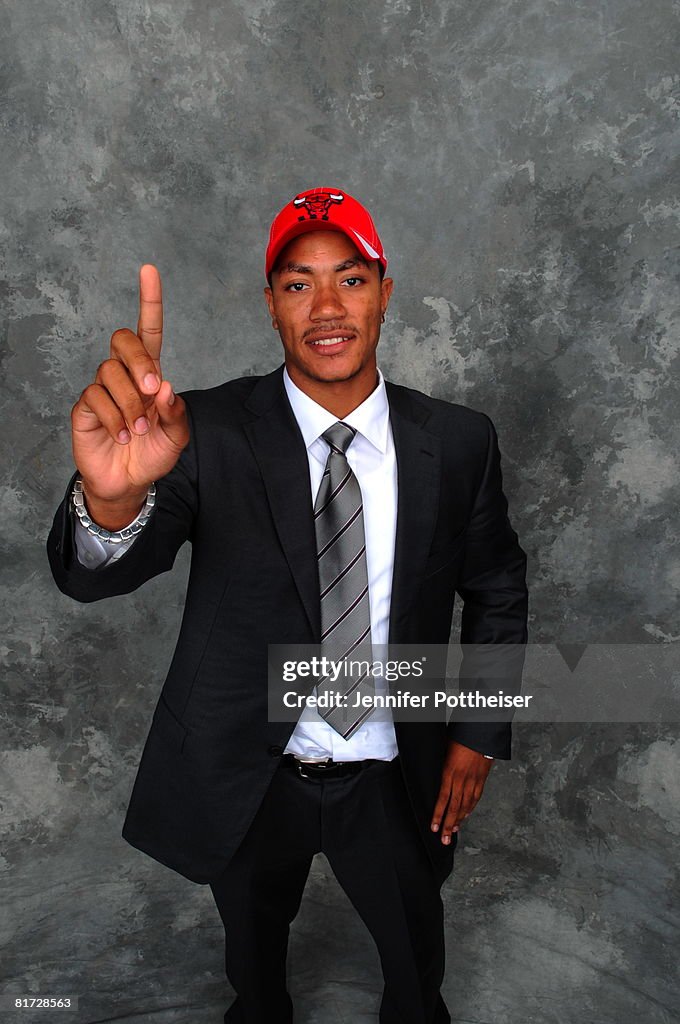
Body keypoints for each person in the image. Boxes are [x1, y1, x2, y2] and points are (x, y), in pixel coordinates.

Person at [47, 187, 528, 1024]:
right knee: (255, 975)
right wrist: (113, 502)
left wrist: (476, 736)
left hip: (393, 770)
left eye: (349, 279)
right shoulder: (201, 429)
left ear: (383, 288)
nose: (328, 307)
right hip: (250, 770)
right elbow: (96, 577)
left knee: (417, 978)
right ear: (271, 305)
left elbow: (496, 590)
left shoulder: (457, 440)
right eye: (300, 284)